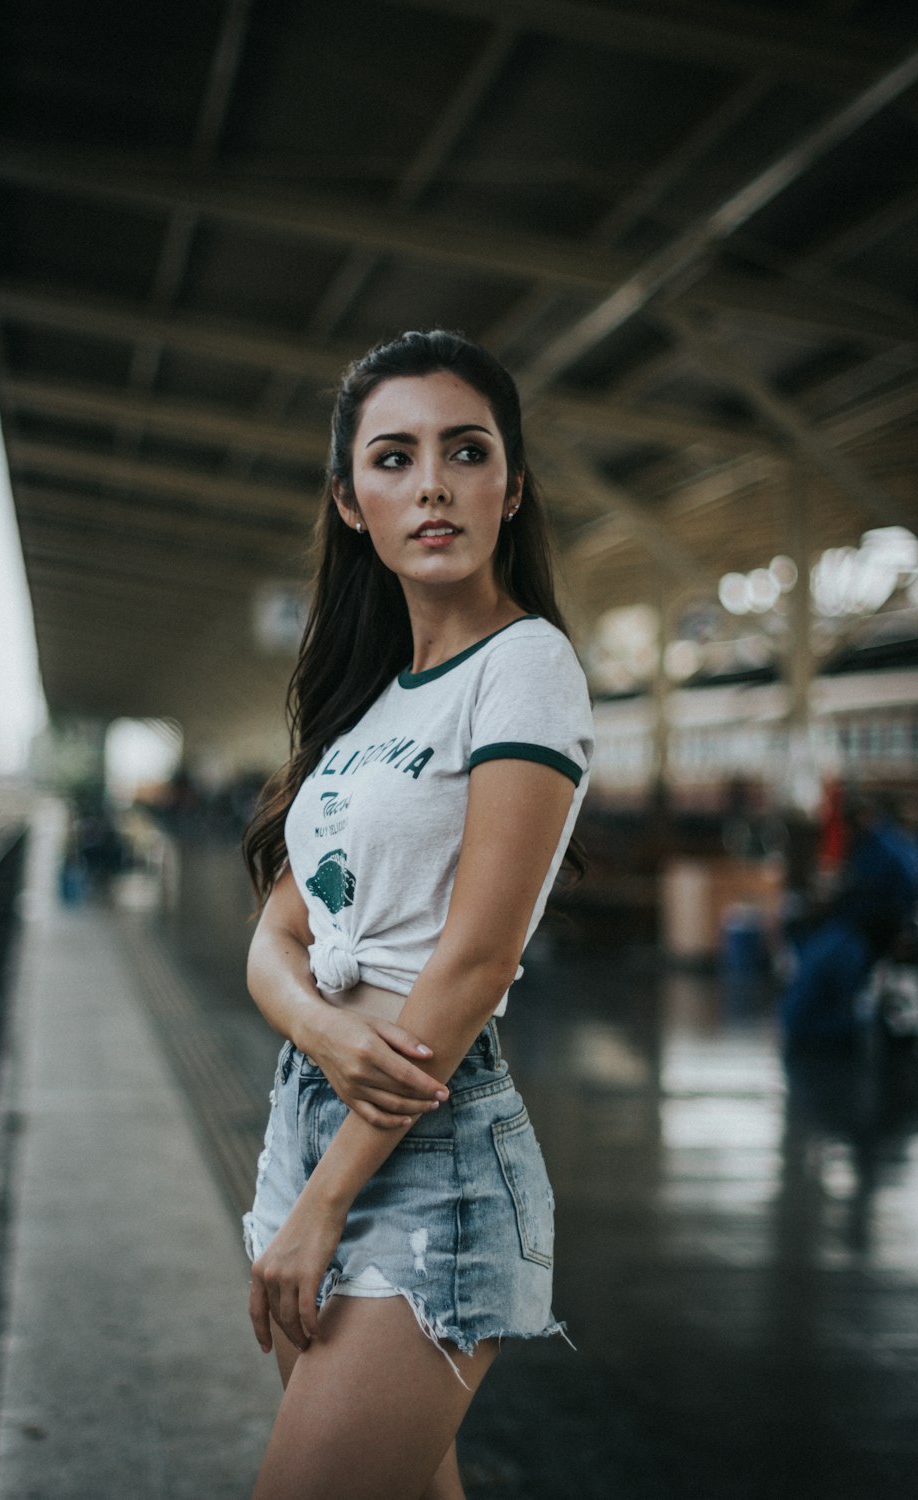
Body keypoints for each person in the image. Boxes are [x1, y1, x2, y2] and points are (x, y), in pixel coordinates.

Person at [240, 329, 594, 1500]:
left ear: (512, 487)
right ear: (350, 502)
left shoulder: (524, 664)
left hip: (420, 1156)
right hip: (310, 1127)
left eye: (465, 451)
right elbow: (275, 939)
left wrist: (325, 1204)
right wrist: (324, 1035)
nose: (432, 483)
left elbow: (477, 958)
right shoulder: (368, 706)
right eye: (393, 458)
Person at [781, 792, 918, 1043]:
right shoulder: (888, 844)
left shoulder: (882, 848)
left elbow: (886, 894)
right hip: (862, 929)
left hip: (863, 932)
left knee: (817, 970)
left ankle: (836, 1027)